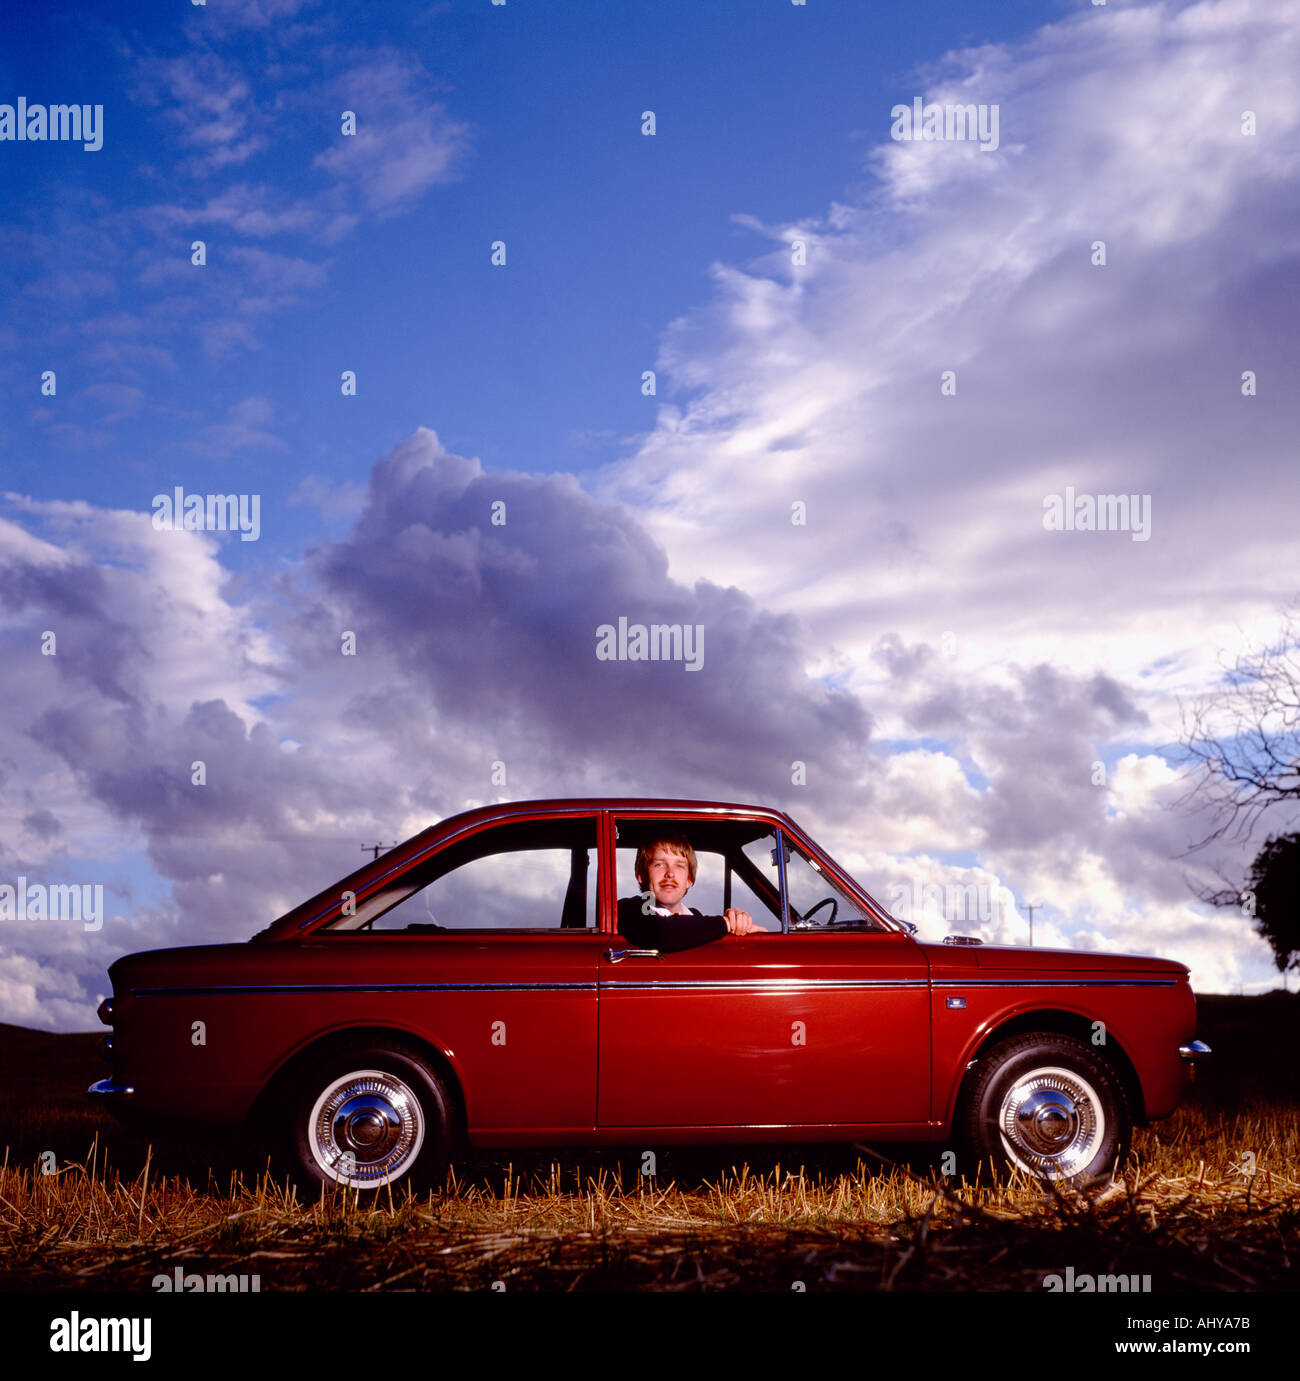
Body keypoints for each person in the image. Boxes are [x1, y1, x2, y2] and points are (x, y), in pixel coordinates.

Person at [616, 833, 760, 953]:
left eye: (679, 866)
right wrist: (726, 923)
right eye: (659, 864)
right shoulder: (629, 909)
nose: (670, 874)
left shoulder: (696, 918)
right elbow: (662, 933)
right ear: (641, 876)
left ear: (689, 880)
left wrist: (739, 923)